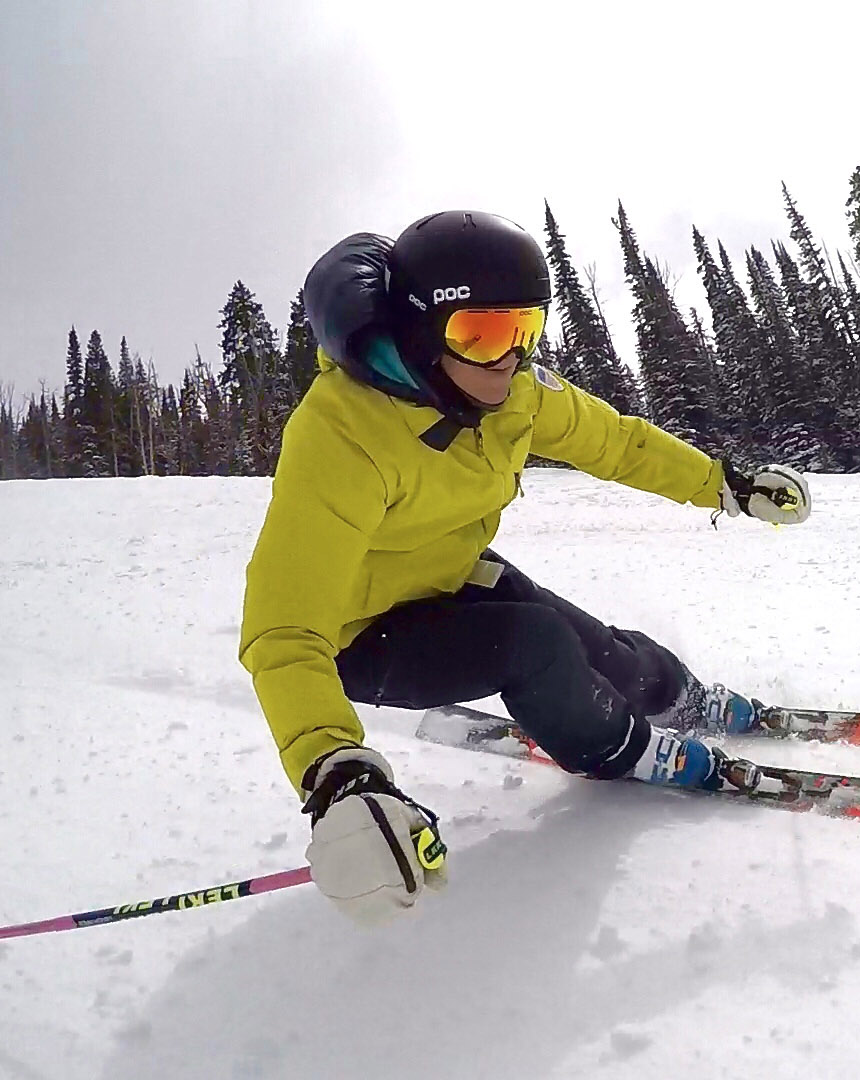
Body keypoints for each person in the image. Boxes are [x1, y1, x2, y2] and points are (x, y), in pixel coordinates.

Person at [239, 210, 811, 927]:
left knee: (595, 645)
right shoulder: (341, 436)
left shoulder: (515, 395)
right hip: (362, 634)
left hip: (449, 575)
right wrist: (336, 775)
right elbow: (284, 631)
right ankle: (622, 747)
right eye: (480, 334)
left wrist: (722, 483)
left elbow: (620, 444)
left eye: (524, 330)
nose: (508, 358)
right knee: (535, 644)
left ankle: (679, 696)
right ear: (419, 333)